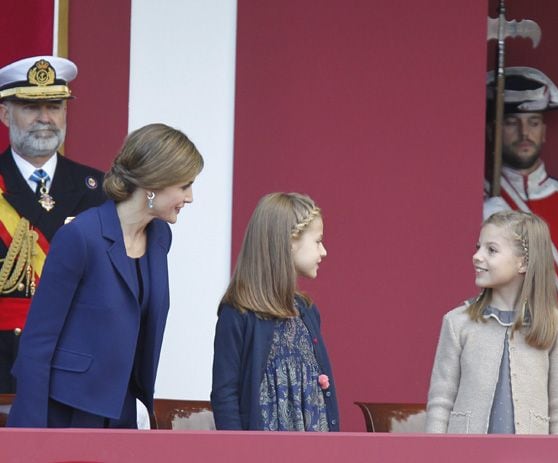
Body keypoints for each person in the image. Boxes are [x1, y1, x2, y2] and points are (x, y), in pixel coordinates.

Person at [7, 123, 204, 428]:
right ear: (153, 183)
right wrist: (31, 436)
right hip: (67, 411)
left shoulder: (160, 237)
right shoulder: (81, 236)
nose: (190, 197)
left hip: (123, 409)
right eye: (184, 186)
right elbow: (38, 341)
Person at [484, 66, 558, 416]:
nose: (524, 132)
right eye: (512, 123)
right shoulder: (480, 202)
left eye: (533, 122)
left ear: (545, 131)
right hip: (498, 353)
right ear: (493, 130)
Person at [0, 55, 106, 392]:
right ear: (4, 114)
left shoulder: (99, 189)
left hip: (75, 365)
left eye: (55, 106)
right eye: (31, 107)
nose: (45, 118)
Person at [425, 210, 558, 434]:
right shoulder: (457, 322)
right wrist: (434, 453)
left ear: (523, 263)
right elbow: (440, 401)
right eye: (478, 247)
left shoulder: (557, 326)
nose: (477, 256)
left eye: (491, 250)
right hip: (465, 456)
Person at [211, 192, 339, 431]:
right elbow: (225, 396)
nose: (324, 252)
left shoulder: (307, 313)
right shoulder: (237, 313)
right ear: (290, 241)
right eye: (317, 241)